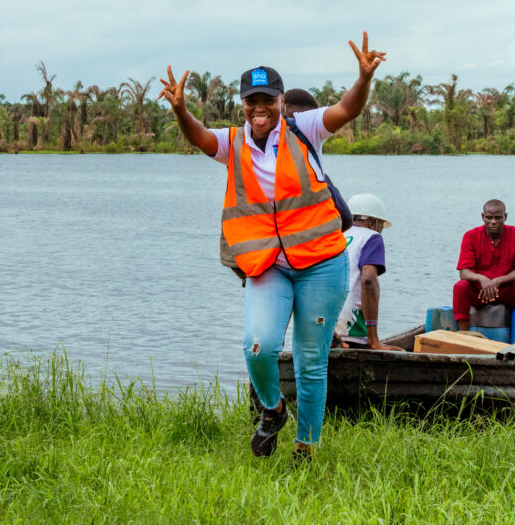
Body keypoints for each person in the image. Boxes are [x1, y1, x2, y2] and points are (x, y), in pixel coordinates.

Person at [158, 33, 386, 461]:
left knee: (310, 361)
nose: (259, 108)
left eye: (267, 99)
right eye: (252, 101)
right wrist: (181, 110)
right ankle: (273, 409)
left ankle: (306, 450)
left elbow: (347, 109)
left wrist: (363, 79)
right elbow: (199, 137)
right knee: (257, 346)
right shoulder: (233, 142)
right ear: (242, 104)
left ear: (281, 100)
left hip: (322, 263)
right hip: (269, 265)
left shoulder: (305, 129)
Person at [453, 199, 515, 335]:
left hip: (507, 290)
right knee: (460, 287)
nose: (493, 221)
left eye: (498, 218)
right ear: (483, 217)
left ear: (505, 217)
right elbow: (464, 272)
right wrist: (482, 279)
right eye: (489, 217)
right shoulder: (470, 236)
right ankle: (463, 336)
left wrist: (498, 281)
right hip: (480, 292)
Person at [335, 193, 403, 351]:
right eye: (381, 226)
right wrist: (374, 340)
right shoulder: (372, 237)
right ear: (373, 223)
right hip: (351, 329)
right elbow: (368, 280)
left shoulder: (337, 236)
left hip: (326, 327)